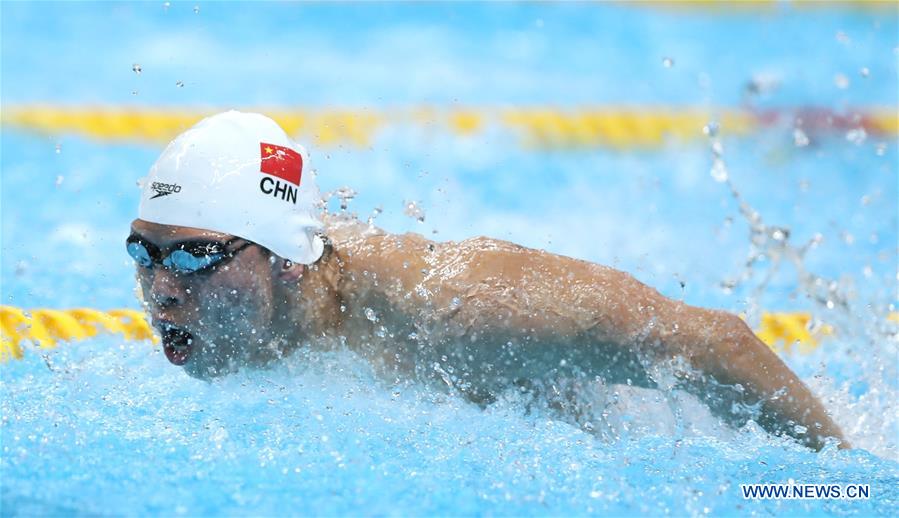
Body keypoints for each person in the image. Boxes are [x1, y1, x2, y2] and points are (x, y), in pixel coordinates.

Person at [128, 111, 847, 450]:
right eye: (145, 253)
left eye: (194, 257)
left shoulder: (457, 309)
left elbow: (716, 343)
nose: (162, 291)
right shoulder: (240, 295)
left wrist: (836, 484)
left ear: (288, 258)